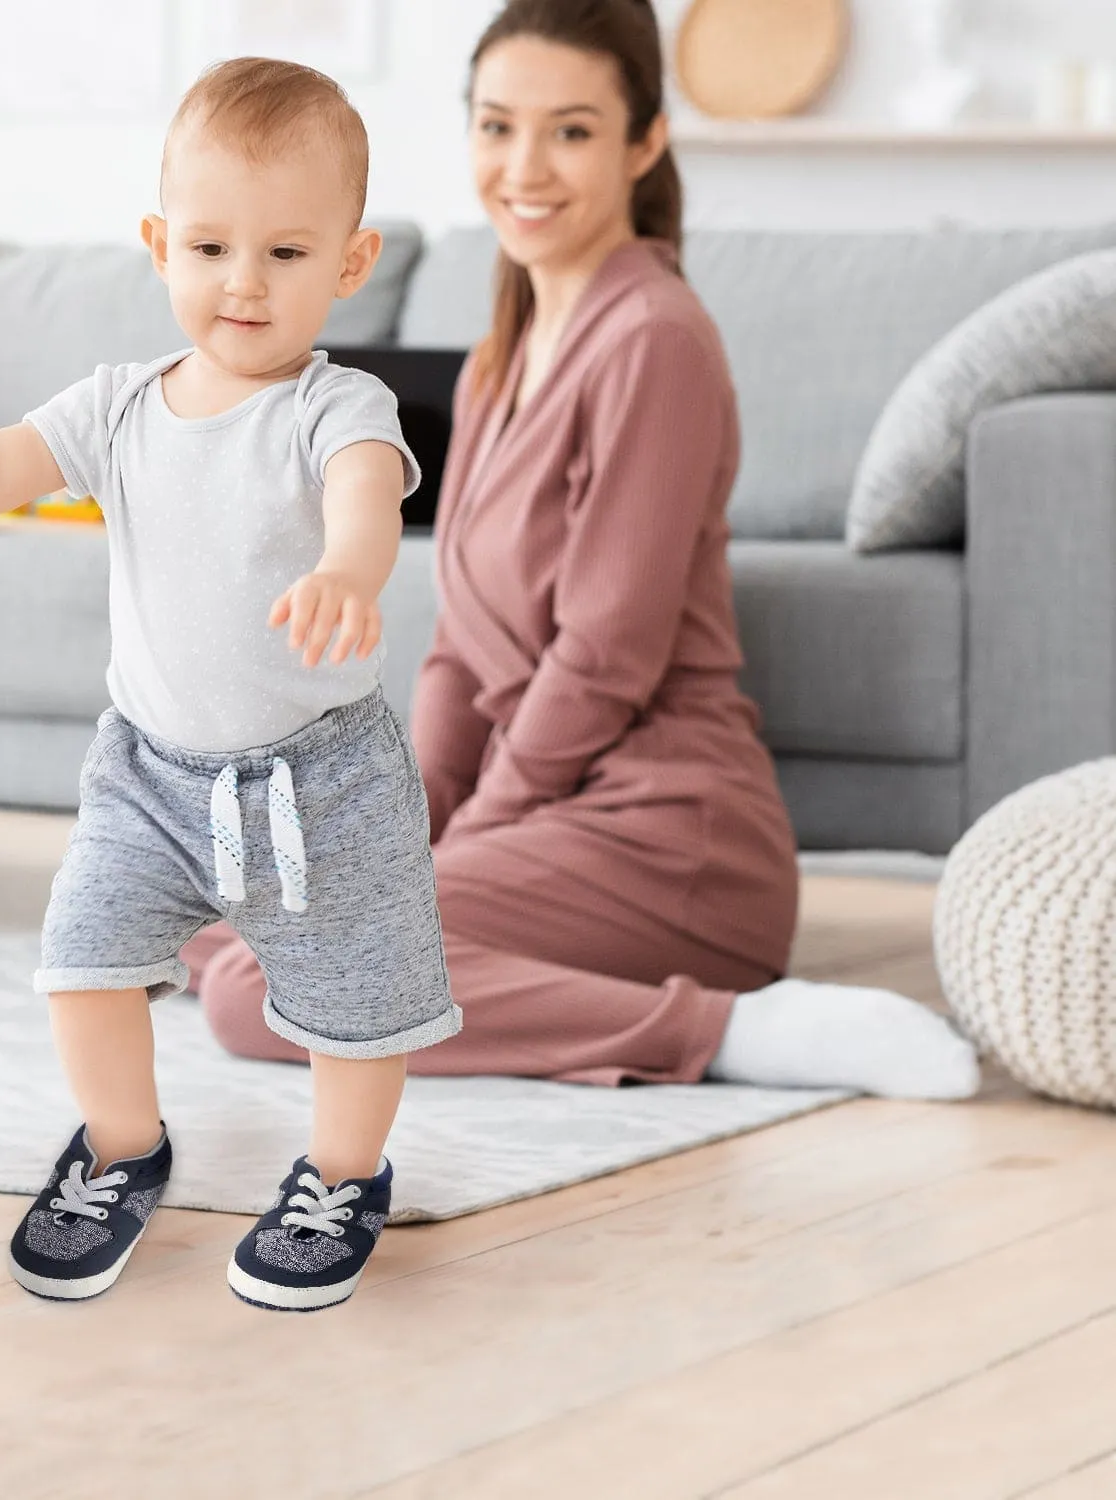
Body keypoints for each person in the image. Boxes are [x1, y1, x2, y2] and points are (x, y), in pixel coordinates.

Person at [185, 0, 981, 1103]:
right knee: (217, 934)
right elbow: (464, 655)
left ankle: (734, 1030)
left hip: (667, 833)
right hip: (545, 813)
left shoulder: (655, 339)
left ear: (643, 142)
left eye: (570, 130)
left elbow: (606, 655)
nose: (526, 166)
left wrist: (457, 849)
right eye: (497, 126)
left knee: (256, 987)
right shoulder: (493, 364)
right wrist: (403, 832)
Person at [0, 58, 461, 1313]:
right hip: (149, 771)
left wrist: (347, 571)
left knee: (358, 1002)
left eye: (285, 251)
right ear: (159, 243)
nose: (244, 282)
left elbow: (370, 492)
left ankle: (340, 1174)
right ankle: (119, 1148)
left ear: (352, 264)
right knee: (83, 959)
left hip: (319, 774)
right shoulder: (117, 406)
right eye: (210, 245)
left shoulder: (338, 405)